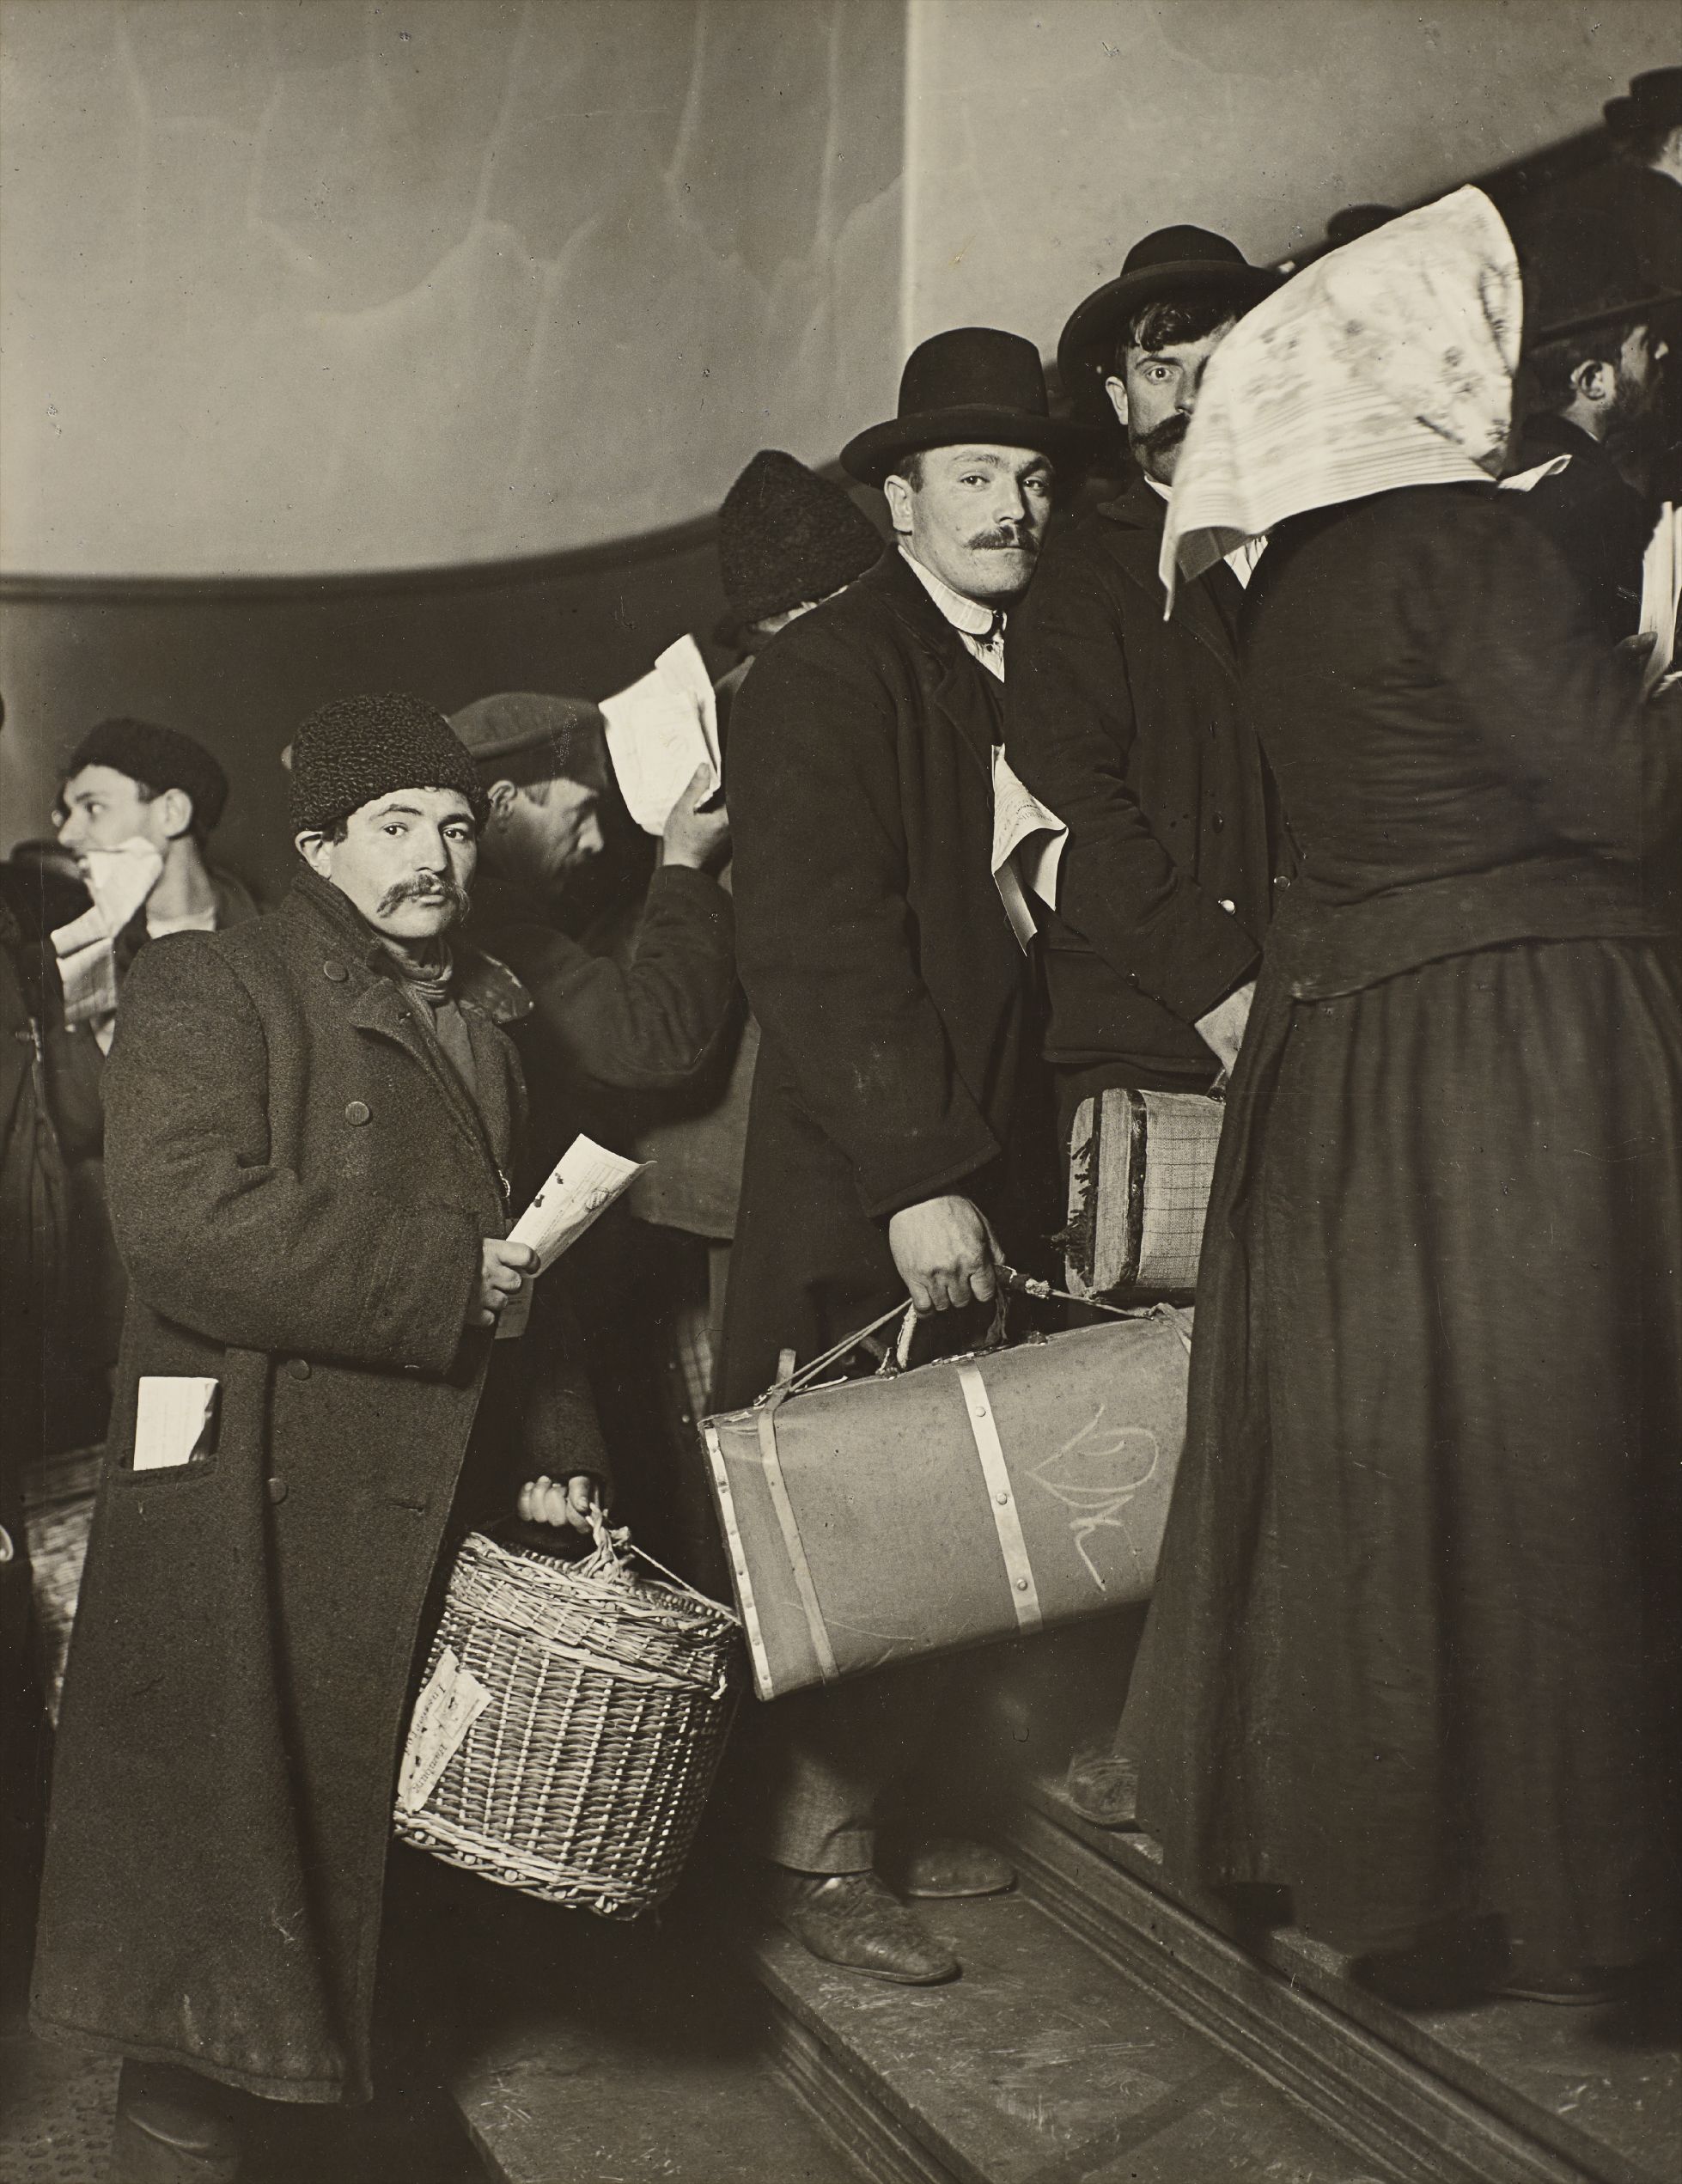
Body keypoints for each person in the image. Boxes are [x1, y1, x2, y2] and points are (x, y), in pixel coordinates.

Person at [1132, 186, 1681, 2005]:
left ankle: (1425, 1886)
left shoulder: (1292, 570)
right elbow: (1626, 797)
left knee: (1413, 1483)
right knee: (1569, 1456)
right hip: (1522, 1045)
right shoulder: (1461, 541)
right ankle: (1615, 1901)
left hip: (1363, 1061)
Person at [31, 695, 614, 2180]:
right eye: (396, 825)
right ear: (317, 848)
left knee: (361, 1877)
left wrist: (559, 1438)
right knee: (221, 1889)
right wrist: (439, 1280)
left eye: (459, 827)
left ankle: (336, 2120)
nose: (436, 857)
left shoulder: (486, 1018)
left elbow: (526, 1262)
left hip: (423, 1482)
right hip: (251, 1493)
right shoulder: (210, 980)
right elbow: (181, 1222)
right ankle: (189, 2136)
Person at [714, 328, 1093, 1986]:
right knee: (845, 1507)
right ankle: (809, 1853)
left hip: (985, 1147)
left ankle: (894, 1808)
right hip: (869, 1165)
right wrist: (915, 1172)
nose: (1009, 505)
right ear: (899, 500)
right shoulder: (829, 669)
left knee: (953, 1499)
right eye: (972, 475)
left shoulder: (1029, 651)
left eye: (1031, 476)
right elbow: (815, 945)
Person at [1003, 226, 1290, 1828]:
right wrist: (1218, 986)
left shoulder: (1293, 542)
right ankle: (1120, 1735)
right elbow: (1076, 811)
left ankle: (1236, 1737)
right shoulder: (1087, 577)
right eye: (1160, 360)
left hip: (1290, 1019)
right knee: (1134, 1406)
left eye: (1220, 352)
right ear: (1114, 395)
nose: (1192, 386)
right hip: (1156, 1028)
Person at [52, 717, 259, 1052]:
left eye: (94, 807)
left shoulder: (279, 946)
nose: (66, 836)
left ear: (172, 813)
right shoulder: (67, 961)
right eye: (68, 813)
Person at [1505, 244, 1675, 643]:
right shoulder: (1600, 500)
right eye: (1647, 342)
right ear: (1594, 381)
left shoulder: (1521, 463)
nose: (1664, 351)